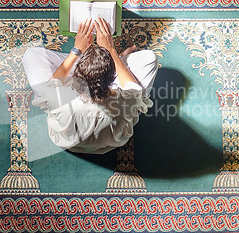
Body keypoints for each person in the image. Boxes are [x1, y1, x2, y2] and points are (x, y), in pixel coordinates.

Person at [22, 17, 158, 154]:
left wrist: (76, 51)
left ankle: (93, 63)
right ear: (113, 78)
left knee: (31, 55)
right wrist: (111, 51)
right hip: (111, 141)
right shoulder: (128, 100)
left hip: (66, 141)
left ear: (75, 76)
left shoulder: (58, 97)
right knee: (150, 58)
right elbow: (132, 87)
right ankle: (114, 62)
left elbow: (53, 83)